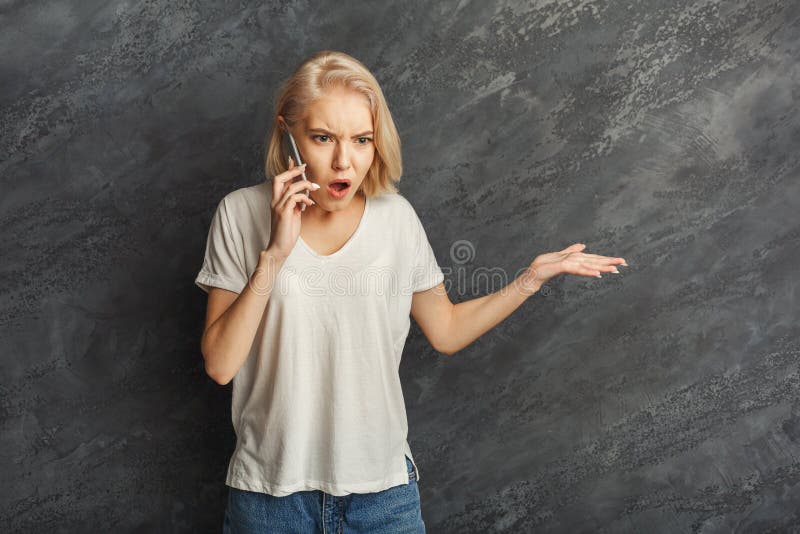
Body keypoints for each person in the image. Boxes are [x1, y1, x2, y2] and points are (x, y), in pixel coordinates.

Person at [195, 50, 627, 533]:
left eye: (361, 140)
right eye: (322, 138)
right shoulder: (239, 214)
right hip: (270, 500)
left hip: (382, 499)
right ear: (287, 134)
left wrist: (530, 279)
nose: (344, 161)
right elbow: (220, 364)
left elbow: (445, 331)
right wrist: (274, 255)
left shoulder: (395, 218)